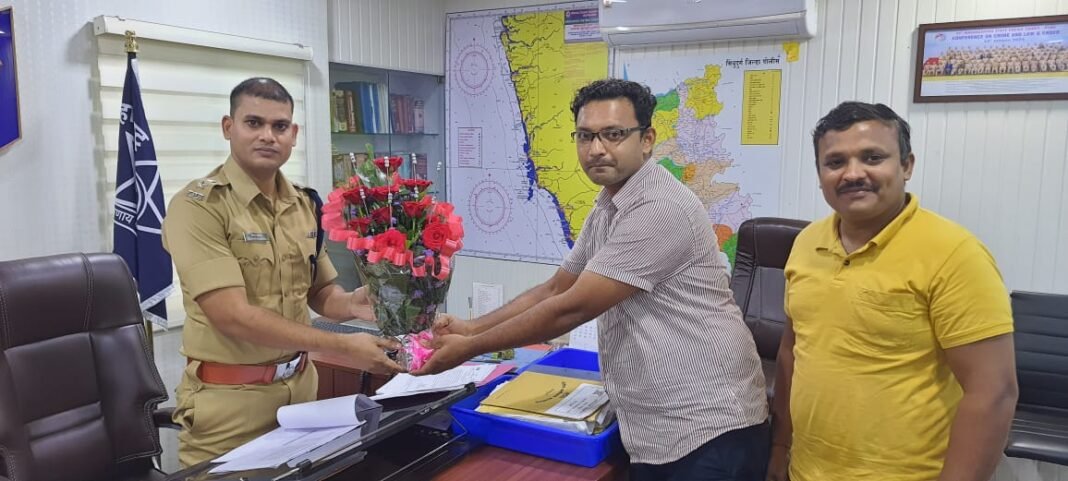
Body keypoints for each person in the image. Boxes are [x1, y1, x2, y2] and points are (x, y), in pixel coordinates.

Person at [415, 78, 770, 480]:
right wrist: (469, 326)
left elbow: (572, 307)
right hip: (658, 427)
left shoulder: (659, 207)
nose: (596, 149)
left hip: (708, 428)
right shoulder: (610, 203)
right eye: (585, 136)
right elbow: (558, 287)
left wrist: (468, 348)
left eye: (614, 134)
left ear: (647, 139)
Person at [767, 102, 1018, 481]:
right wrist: (781, 447)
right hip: (807, 471)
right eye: (835, 162)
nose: (853, 173)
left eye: (872, 157)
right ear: (819, 175)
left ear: (906, 166)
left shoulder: (954, 253)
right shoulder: (806, 243)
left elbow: (993, 393)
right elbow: (792, 350)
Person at [162, 77, 404, 467]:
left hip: (302, 397)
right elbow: (232, 317)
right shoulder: (199, 206)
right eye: (253, 123)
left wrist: (356, 305)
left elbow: (321, 293)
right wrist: (344, 345)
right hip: (231, 404)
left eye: (279, 127)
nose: (267, 136)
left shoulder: (303, 203)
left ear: (293, 134)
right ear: (229, 127)